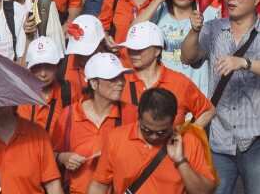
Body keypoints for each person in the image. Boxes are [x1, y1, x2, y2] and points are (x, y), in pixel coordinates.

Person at [181, 0, 260, 194]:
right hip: (220, 139)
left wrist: (244, 63)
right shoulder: (212, 29)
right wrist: (194, 31)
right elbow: (188, 57)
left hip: (258, 138)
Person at [89, 87, 218, 194]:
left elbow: (204, 192)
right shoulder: (116, 138)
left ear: (173, 121)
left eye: (162, 132)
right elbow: (99, 185)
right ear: (138, 118)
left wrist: (180, 160)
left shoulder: (190, 141)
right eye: (147, 130)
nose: (154, 137)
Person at [51, 53, 136, 193]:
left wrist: (113, 156)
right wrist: (63, 157)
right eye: (113, 79)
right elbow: (49, 155)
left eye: (121, 77)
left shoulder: (131, 113)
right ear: (94, 83)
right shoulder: (69, 115)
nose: (120, 83)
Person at [122, 22, 214, 127]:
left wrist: (187, 138)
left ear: (157, 51)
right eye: (130, 48)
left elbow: (207, 111)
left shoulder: (179, 82)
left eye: (140, 48)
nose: (133, 53)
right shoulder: (120, 82)